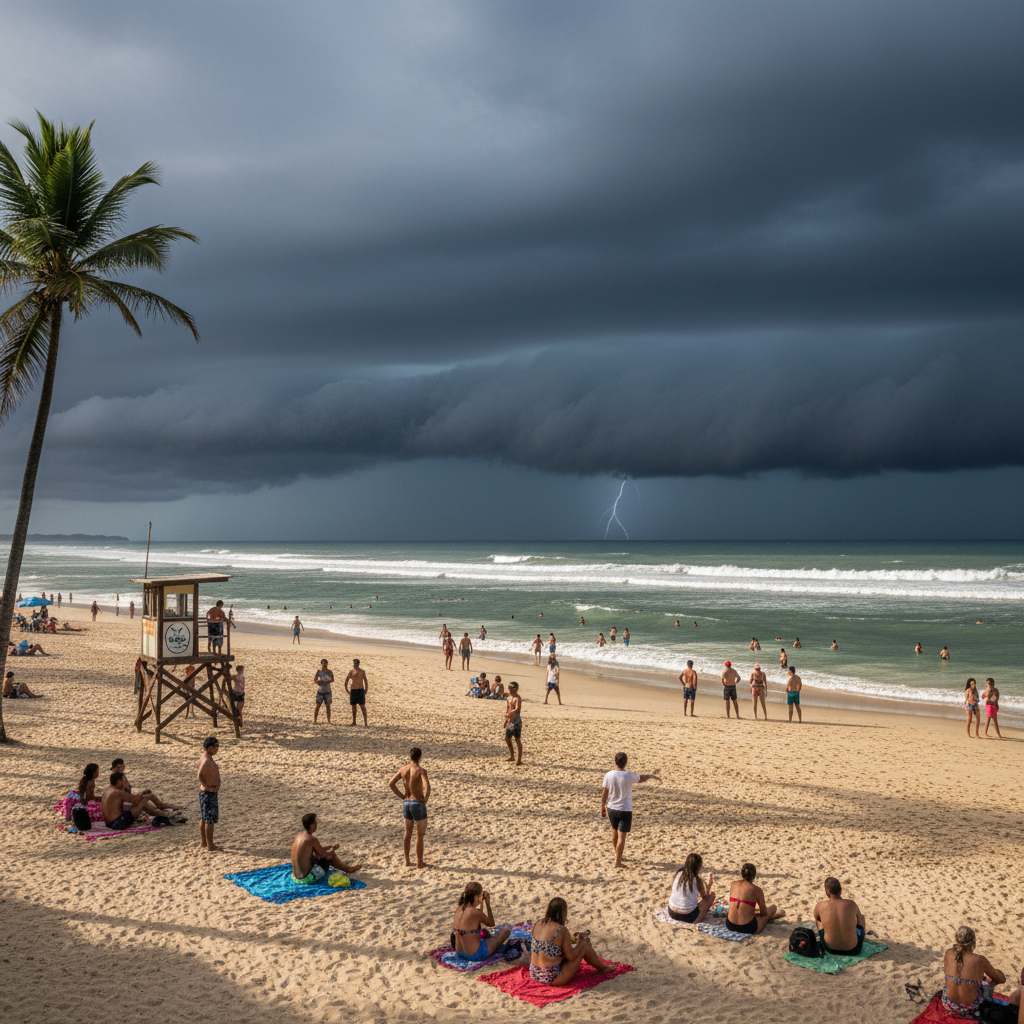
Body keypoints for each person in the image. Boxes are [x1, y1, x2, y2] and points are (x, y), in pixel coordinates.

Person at [529, 897, 614, 985]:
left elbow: (551, 950)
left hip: (534, 973)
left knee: (581, 943)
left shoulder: (538, 923)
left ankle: (602, 967)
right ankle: (603, 968)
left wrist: (574, 939)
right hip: (552, 978)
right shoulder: (561, 930)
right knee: (585, 943)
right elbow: (571, 956)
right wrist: (580, 943)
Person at [601, 752, 661, 868]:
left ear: (615, 761)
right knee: (622, 837)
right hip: (625, 810)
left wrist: (602, 806)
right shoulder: (629, 775)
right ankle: (618, 862)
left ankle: (618, 855)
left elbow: (604, 793)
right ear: (626, 762)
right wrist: (651, 776)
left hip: (612, 808)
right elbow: (641, 778)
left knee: (614, 833)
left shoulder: (609, 775)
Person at [942, 926, 1006, 1018]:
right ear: (973, 942)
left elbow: (962, 969)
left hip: (948, 1004)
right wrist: (995, 974)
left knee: (956, 978)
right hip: (971, 1008)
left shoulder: (948, 952)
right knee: (990, 981)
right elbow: (1001, 980)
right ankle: (987, 1005)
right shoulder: (980, 960)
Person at [389, 747, 430, 868]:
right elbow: (427, 787)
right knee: (420, 834)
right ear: (420, 757)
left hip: (406, 803)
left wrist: (402, 796)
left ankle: (407, 861)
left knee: (408, 833)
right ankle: (419, 862)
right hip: (417, 802)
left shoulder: (403, 769)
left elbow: (391, 783)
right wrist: (425, 800)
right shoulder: (421, 771)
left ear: (410, 757)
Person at [290, 812, 360, 883]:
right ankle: (348, 869)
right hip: (306, 879)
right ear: (311, 825)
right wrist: (332, 850)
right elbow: (327, 856)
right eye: (315, 824)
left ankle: (346, 868)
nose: (316, 825)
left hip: (295, 877)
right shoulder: (312, 839)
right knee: (331, 855)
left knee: (323, 853)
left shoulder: (298, 835)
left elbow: (310, 852)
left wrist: (327, 849)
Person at [451, 882, 514, 961]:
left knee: (485, 934)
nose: (481, 898)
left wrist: (481, 903)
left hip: (460, 952)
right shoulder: (476, 912)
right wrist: (487, 903)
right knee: (507, 928)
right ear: (475, 896)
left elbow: (476, 921)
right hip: (476, 954)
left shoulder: (459, 908)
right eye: (480, 896)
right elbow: (491, 923)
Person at [726, 863, 783, 935]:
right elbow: (763, 913)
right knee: (773, 908)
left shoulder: (733, 884)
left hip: (730, 924)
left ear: (741, 874)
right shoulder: (757, 890)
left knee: (746, 907)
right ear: (754, 875)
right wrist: (756, 915)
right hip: (747, 927)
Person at [814, 877, 866, 955]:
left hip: (830, 949)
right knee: (861, 918)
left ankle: (830, 938)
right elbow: (860, 920)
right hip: (853, 949)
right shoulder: (851, 904)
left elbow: (818, 919)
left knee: (818, 920)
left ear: (826, 891)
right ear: (840, 890)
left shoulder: (820, 905)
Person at [110, 758, 180, 814]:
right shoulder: (116, 777)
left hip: (129, 795)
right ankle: (161, 807)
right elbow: (121, 790)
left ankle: (161, 806)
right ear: (114, 768)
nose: (121, 769)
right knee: (149, 796)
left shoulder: (121, 774)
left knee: (148, 792)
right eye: (119, 767)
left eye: (123, 767)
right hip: (127, 799)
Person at [667, 853, 716, 923]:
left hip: (672, 912)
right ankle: (696, 918)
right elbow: (704, 897)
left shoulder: (678, 873)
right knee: (712, 896)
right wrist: (709, 886)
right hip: (689, 916)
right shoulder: (697, 880)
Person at [198, 737, 221, 852]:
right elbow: (200, 775)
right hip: (208, 793)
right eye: (215, 746)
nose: (217, 749)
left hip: (206, 792)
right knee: (209, 821)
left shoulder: (206, 756)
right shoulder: (207, 760)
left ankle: (204, 842)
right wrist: (207, 786)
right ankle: (210, 846)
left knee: (204, 818)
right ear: (210, 747)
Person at [345, 658, 368, 726]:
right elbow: (346, 680)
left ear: (358, 664)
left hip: (360, 690)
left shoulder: (362, 671)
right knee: (353, 707)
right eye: (354, 663)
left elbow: (365, 681)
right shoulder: (351, 672)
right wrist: (347, 689)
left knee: (362, 706)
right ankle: (354, 721)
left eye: (356, 664)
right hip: (353, 690)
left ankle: (365, 723)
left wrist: (366, 689)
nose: (355, 665)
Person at [504, 682, 523, 765]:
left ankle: (519, 760)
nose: (510, 690)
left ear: (516, 689)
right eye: (509, 688)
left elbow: (518, 709)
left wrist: (511, 712)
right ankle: (512, 756)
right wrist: (506, 720)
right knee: (507, 739)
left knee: (517, 740)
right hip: (510, 721)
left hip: (516, 722)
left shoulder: (517, 698)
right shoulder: (508, 698)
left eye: (512, 688)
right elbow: (508, 708)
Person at [314, 659, 334, 724]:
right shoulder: (319, 672)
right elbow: (315, 679)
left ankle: (329, 721)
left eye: (325, 665)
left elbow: (332, 679)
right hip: (320, 691)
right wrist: (318, 682)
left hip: (327, 691)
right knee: (317, 706)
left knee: (328, 706)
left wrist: (323, 680)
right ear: (321, 664)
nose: (324, 666)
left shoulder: (329, 672)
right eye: (323, 665)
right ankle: (315, 720)